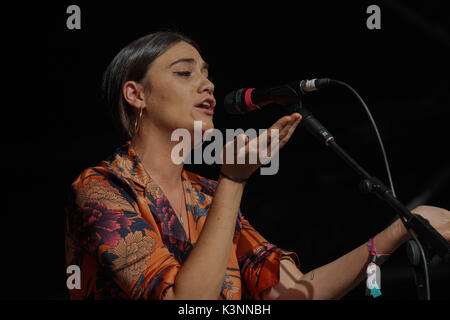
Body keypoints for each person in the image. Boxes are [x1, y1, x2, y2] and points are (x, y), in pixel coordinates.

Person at [65, 31, 450, 300]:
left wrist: (401, 228)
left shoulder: (206, 195)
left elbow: (296, 292)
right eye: (185, 73)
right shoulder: (101, 188)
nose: (207, 85)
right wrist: (233, 179)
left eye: (207, 73)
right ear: (136, 94)